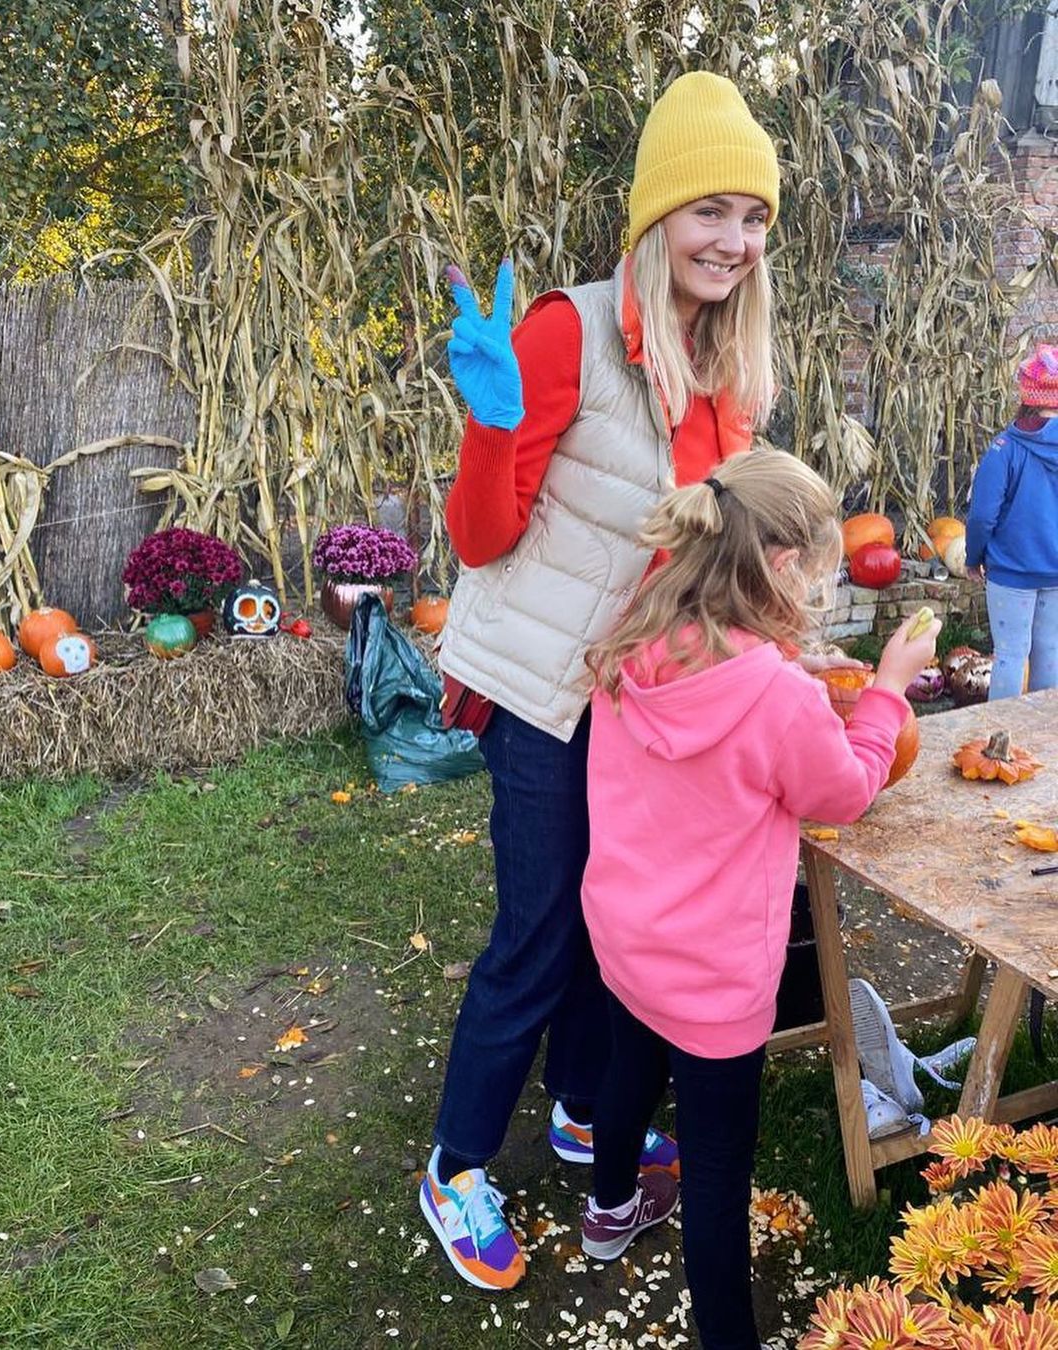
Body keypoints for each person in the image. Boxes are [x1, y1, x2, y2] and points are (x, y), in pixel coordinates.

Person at [420, 70, 786, 1292]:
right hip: (537, 692)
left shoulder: (730, 370)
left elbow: (702, 563)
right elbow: (480, 542)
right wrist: (489, 424)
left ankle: (582, 1107)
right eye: (710, 211)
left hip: (636, 705)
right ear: (656, 216)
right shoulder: (567, 331)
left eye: (753, 217)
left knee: (609, 912)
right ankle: (458, 1163)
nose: (732, 241)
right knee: (537, 927)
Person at [579, 449, 940, 1350]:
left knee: (627, 1078)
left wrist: (787, 661)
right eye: (813, 573)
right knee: (716, 1168)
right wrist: (887, 692)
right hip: (714, 975)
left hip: (625, 936)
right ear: (780, 568)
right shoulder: (778, 698)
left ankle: (609, 1211)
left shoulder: (636, 634)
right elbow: (846, 791)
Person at [965, 342, 1058, 701]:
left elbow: (983, 515)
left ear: (1026, 393)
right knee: (1049, 656)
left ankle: (1000, 742)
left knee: (1010, 656)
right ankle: (1042, 741)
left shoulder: (1006, 448)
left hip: (1011, 572)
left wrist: (974, 558)